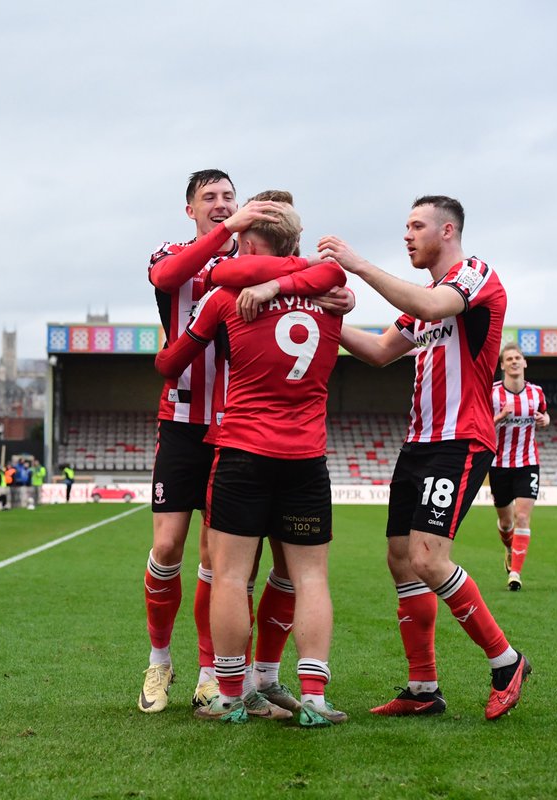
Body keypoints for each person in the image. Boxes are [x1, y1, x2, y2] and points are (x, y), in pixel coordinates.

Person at [140, 173, 351, 717]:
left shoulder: (251, 265)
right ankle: (160, 659)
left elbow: (318, 274)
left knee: (228, 564)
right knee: (169, 548)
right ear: (190, 210)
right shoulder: (188, 255)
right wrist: (300, 279)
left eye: (229, 197)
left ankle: (221, 678)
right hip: (188, 420)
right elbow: (169, 276)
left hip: (236, 429)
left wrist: (292, 283)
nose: (220, 205)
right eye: (208, 198)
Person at [328, 195, 530, 721]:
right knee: (401, 560)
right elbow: (376, 352)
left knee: (427, 559)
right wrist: (318, 318)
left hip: (460, 440)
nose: (407, 235)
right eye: (405, 226)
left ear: (447, 230)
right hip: (418, 445)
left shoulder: (475, 276)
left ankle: (506, 662)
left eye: (416, 226)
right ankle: (423, 689)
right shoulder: (421, 301)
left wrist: (359, 265)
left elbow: (434, 307)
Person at [490, 343, 550, 592]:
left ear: (524, 363)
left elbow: (545, 416)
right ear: (502, 365)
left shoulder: (536, 393)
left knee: (522, 516)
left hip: (528, 463)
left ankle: (515, 572)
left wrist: (544, 420)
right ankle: (508, 549)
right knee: (506, 523)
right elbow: (479, 423)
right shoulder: (492, 394)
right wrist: (499, 417)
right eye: (509, 359)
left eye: (518, 358)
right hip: (498, 464)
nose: (514, 362)